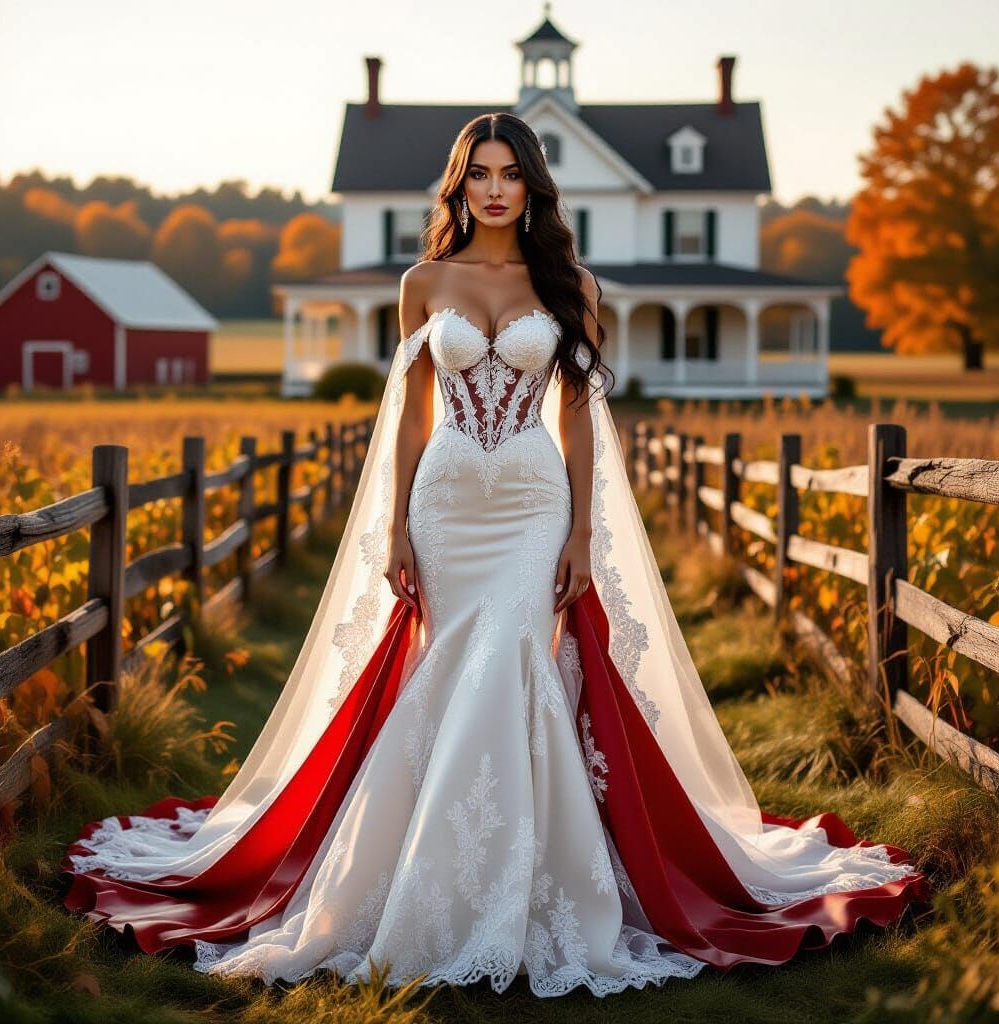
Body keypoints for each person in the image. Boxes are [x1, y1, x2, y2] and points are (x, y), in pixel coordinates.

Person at [61, 112, 930, 998]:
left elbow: (582, 416)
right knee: (445, 667)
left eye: (511, 172)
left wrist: (584, 534)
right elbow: (408, 412)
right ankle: (425, 884)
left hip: (531, 503)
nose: (494, 187)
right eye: (479, 172)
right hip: (443, 506)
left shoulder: (570, 284)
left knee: (517, 657)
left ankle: (524, 891)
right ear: (459, 183)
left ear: (532, 185)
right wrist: (395, 524)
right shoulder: (422, 282)